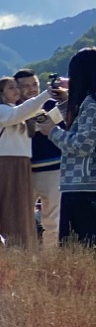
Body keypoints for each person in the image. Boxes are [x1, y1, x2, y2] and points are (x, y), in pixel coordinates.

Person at [0, 74, 58, 247]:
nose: (17, 91)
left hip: (21, 165)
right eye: (11, 88)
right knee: (9, 209)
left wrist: (65, 100)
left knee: (19, 210)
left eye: (16, 87)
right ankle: (2, 248)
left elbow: (48, 121)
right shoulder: (0, 111)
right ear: (1, 93)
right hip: (7, 165)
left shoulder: (18, 113)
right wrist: (46, 94)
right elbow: (20, 113)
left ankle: (19, 248)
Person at [17, 69, 67, 246]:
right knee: (20, 220)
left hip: (54, 169)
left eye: (35, 85)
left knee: (53, 221)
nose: (31, 89)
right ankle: (24, 259)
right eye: (26, 86)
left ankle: (50, 260)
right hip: (23, 172)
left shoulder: (54, 104)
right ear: (17, 89)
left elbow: (67, 128)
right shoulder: (13, 112)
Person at [56, 49, 96, 245]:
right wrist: (66, 104)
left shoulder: (91, 104)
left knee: (78, 246)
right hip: (84, 187)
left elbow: (84, 144)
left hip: (83, 186)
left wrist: (51, 131)